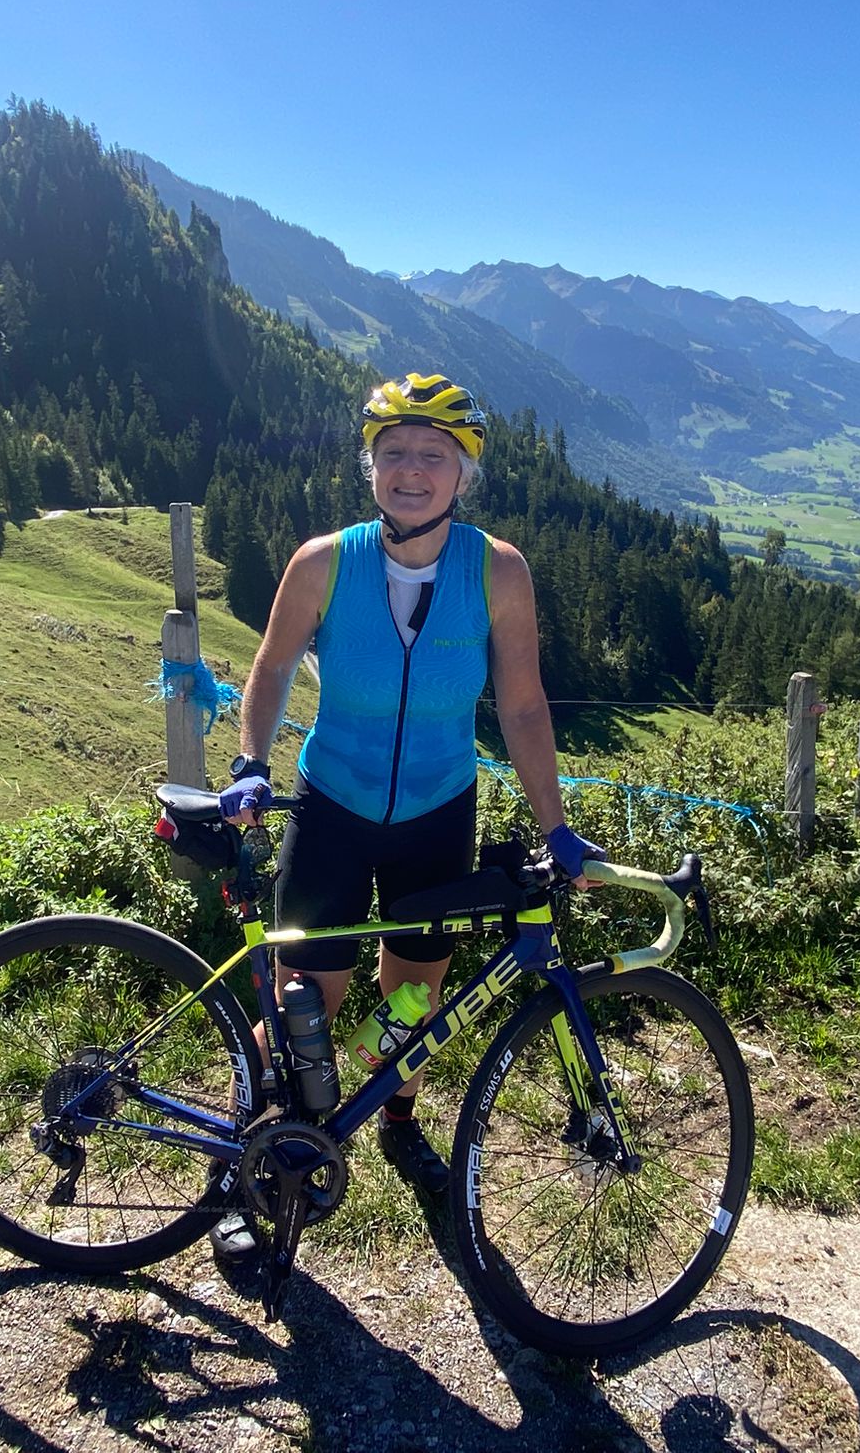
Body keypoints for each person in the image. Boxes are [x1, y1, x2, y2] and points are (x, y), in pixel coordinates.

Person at [209, 372, 603, 1261]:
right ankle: (245, 1159)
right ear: (372, 467)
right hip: (333, 807)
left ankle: (394, 1117)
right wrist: (251, 764)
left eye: (433, 454)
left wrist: (554, 825)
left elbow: (524, 705)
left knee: (416, 993)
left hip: (438, 809)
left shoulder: (497, 571)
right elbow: (271, 666)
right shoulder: (324, 562)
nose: (411, 470)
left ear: (464, 472)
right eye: (394, 453)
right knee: (306, 997)